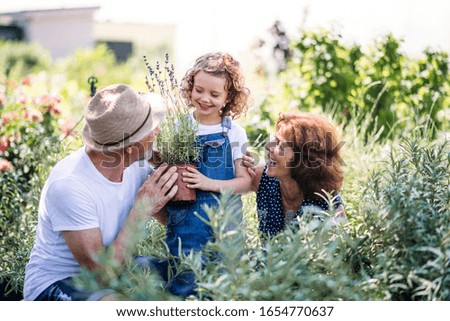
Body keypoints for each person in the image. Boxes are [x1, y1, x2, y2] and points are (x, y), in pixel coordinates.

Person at [23, 84, 179, 301]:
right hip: (57, 284)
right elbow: (100, 276)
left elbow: (171, 219)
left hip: (115, 268)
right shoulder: (70, 185)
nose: (158, 130)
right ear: (129, 148)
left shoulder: (136, 162)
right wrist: (141, 210)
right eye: (150, 129)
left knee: (182, 274)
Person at [154, 52, 252, 298]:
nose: (205, 99)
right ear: (190, 87)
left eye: (215, 94)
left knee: (223, 286)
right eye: (199, 90)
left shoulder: (235, 132)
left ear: (228, 97)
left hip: (225, 225)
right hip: (185, 222)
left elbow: (244, 182)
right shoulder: (178, 126)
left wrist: (208, 182)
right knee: (184, 282)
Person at [242, 111, 345, 237]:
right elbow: (224, 186)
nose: (269, 146)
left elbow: (342, 250)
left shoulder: (328, 204)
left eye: (280, 145)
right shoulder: (262, 177)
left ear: (304, 159)